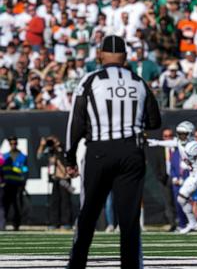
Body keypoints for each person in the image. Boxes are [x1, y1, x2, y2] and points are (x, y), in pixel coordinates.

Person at [65, 35, 161, 269]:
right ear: (126, 57)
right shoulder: (138, 81)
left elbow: (75, 122)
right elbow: (155, 121)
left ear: (100, 54)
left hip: (100, 150)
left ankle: (76, 264)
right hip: (132, 150)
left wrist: (69, 157)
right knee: (129, 219)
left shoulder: (90, 80)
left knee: (88, 214)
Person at [37, 136, 73, 230]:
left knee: (65, 201)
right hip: (55, 179)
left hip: (64, 178)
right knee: (54, 201)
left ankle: (66, 223)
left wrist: (57, 159)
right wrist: (42, 145)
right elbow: (39, 156)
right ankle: (54, 222)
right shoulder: (50, 151)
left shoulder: (64, 149)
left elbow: (66, 163)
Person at [2, 136, 29, 231]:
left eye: (15, 143)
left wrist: (24, 181)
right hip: (6, 184)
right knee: (5, 205)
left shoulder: (22, 156)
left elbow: (25, 170)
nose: (13, 145)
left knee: (17, 205)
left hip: (17, 184)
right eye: (11, 143)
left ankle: (16, 224)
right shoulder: (4, 156)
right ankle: (3, 223)